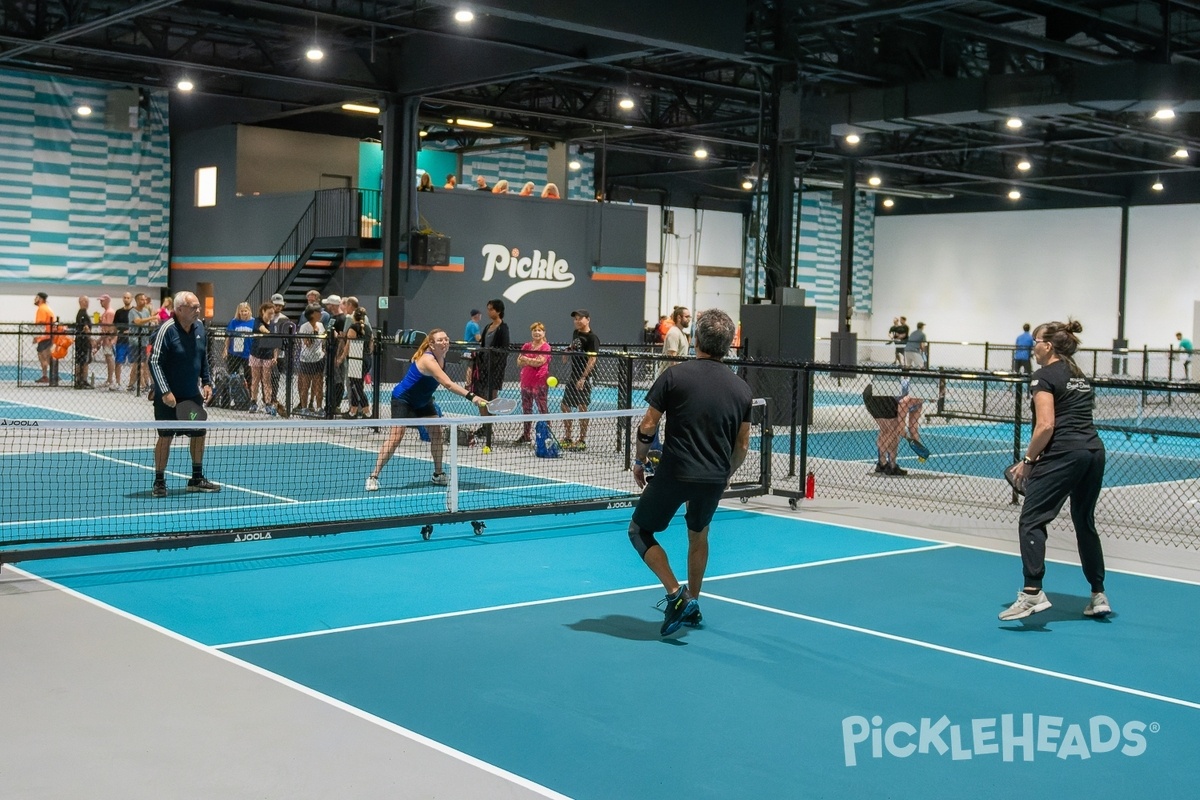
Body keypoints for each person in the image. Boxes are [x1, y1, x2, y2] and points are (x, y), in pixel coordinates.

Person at [629, 308, 752, 636]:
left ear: (697, 339)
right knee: (699, 534)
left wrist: (640, 462)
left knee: (638, 532)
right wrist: (725, 474)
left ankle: (677, 595)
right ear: (727, 345)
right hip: (713, 477)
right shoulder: (742, 390)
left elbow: (647, 425)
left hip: (674, 472)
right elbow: (742, 447)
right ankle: (693, 602)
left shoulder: (674, 375)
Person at [999, 319, 1109, 622]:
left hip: (1064, 454)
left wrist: (1029, 460)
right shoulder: (1079, 376)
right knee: (1084, 521)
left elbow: (1046, 425)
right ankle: (1098, 595)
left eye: (1035, 342)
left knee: (1032, 519)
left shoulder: (1043, 376)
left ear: (1047, 346)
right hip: (1093, 452)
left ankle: (1032, 593)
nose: (1032, 347)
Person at [366, 329, 489, 491]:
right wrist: (473, 397)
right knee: (396, 437)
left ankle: (438, 474)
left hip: (423, 401)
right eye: (440, 340)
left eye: (446, 339)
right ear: (431, 344)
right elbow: (448, 384)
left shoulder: (441, 357)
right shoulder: (428, 360)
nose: (444, 342)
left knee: (436, 433)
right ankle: (373, 476)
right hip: (403, 399)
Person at [147, 291, 219, 498]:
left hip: (191, 397)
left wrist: (206, 382)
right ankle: (159, 481)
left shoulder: (200, 328)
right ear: (179, 310)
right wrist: (165, 391)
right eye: (194, 307)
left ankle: (196, 478)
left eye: (198, 306)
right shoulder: (166, 330)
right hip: (168, 398)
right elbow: (154, 362)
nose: (199, 310)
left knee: (199, 433)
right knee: (165, 437)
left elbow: (202, 357)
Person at [862, 378, 924, 476]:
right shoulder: (915, 397)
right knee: (893, 431)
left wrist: (919, 447)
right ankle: (890, 466)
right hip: (883, 393)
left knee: (886, 430)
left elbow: (913, 428)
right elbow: (903, 406)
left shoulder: (919, 402)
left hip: (871, 391)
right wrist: (903, 429)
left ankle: (883, 464)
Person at [472, 298, 511, 448]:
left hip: (495, 370)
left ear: (498, 311)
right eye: (488, 309)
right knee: (480, 397)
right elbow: (483, 346)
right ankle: (484, 425)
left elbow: (504, 350)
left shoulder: (503, 328)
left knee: (491, 398)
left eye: (491, 309)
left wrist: (495, 366)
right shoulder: (488, 326)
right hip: (482, 368)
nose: (488, 312)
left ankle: (489, 427)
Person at [561, 309, 599, 450]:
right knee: (565, 405)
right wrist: (568, 350)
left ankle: (582, 440)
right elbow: (575, 346)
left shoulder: (592, 338)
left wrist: (583, 377)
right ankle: (568, 437)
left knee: (582, 407)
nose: (577, 321)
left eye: (580, 318)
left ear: (588, 319)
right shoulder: (576, 333)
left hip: (585, 377)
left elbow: (592, 359)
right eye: (575, 319)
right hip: (573, 375)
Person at [514, 321, 551, 443]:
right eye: (534, 330)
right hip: (526, 381)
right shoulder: (526, 346)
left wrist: (526, 359)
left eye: (539, 330)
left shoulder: (546, 347)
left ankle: (547, 435)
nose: (536, 332)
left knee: (542, 408)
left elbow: (540, 362)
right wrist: (529, 360)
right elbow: (519, 362)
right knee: (526, 408)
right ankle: (526, 435)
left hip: (539, 382)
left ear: (543, 332)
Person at [337, 305, 370, 418]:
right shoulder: (368, 328)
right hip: (366, 359)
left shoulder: (352, 328)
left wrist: (341, 358)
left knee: (356, 387)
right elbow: (371, 344)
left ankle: (367, 411)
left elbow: (348, 345)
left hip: (356, 360)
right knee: (356, 385)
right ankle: (353, 411)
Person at [248, 301, 279, 415]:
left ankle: (268, 403)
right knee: (255, 379)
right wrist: (268, 332)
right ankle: (253, 402)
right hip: (256, 353)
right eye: (269, 313)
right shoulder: (257, 321)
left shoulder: (274, 325)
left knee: (266, 380)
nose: (271, 316)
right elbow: (261, 328)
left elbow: (276, 343)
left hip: (268, 355)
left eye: (273, 313)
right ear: (263, 312)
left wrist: (275, 356)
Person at [297, 306, 326, 416]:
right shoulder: (304, 327)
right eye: (318, 312)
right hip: (306, 360)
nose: (321, 314)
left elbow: (323, 341)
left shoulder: (321, 325)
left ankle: (319, 407)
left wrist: (324, 351)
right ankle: (304, 408)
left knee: (319, 384)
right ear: (312, 314)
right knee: (305, 385)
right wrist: (314, 333)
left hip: (318, 359)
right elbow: (307, 344)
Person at [127, 293, 155, 393]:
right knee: (139, 364)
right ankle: (142, 385)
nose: (144, 302)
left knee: (140, 364)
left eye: (145, 300)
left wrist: (152, 322)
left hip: (144, 341)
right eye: (141, 300)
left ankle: (131, 384)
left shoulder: (146, 311)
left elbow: (147, 323)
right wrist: (152, 318)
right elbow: (138, 321)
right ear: (137, 300)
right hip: (135, 341)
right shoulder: (132, 312)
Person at [225, 302, 255, 383]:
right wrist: (225, 350)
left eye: (245, 311)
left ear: (249, 311)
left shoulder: (254, 322)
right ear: (238, 312)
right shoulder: (234, 322)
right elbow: (228, 336)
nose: (243, 313)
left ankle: (248, 394)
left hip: (249, 353)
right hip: (234, 353)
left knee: (249, 376)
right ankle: (232, 392)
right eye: (241, 311)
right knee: (232, 374)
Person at [660, 305, 691, 374]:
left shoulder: (681, 333)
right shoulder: (674, 333)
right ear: (679, 318)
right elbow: (673, 357)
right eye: (686, 317)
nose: (689, 319)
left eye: (689, 317)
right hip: (671, 375)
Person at [97, 294, 118, 390]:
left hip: (108, 339)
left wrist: (103, 339)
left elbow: (109, 328)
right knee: (107, 358)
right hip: (105, 339)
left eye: (102, 300)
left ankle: (110, 379)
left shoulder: (110, 313)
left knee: (109, 359)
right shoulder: (105, 312)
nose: (101, 302)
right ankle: (109, 379)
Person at [33, 292, 55, 383]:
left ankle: (46, 376)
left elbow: (40, 324)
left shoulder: (41, 309)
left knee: (43, 356)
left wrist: (36, 337)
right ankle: (53, 374)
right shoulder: (47, 308)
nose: (35, 299)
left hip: (44, 336)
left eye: (37, 297)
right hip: (49, 335)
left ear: (41, 299)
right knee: (48, 356)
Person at [113, 291, 133, 388]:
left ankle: (131, 383)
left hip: (132, 340)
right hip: (121, 340)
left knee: (134, 362)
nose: (126, 299)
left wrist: (130, 331)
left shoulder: (134, 312)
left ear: (131, 299)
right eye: (124, 297)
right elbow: (115, 325)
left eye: (128, 298)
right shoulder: (118, 312)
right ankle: (117, 382)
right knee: (118, 361)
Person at [73, 295, 93, 389]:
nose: (87, 303)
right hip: (83, 340)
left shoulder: (81, 313)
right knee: (83, 361)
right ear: (81, 302)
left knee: (81, 360)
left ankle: (80, 380)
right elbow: (86, 328)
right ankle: (82, 380)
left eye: (87, 301)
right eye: (85, 301)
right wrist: (91, 339)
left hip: (81, 340)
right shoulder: (82, 314)